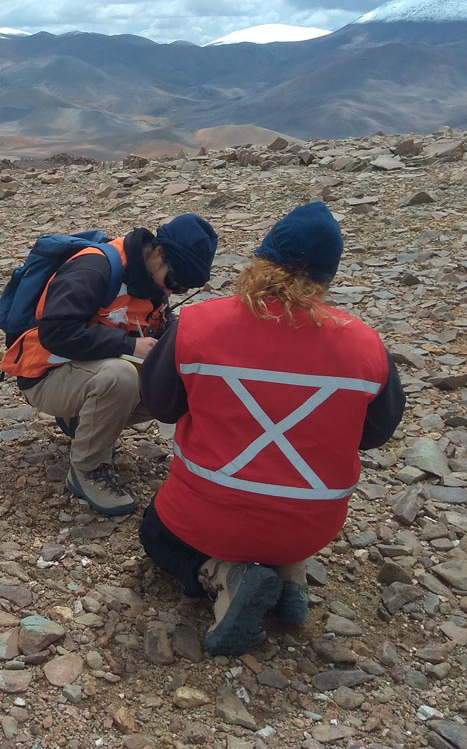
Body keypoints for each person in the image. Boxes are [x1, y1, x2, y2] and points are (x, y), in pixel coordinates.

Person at [138, 201, 405, 656]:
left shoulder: (199, 324)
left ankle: (224, 576)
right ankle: (289, 575)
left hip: (203, 517)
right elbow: (374, 433)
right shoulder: (366, 345)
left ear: (261, 261)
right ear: (326, 278)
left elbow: (159, 404)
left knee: (155, 534)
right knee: (282, 509)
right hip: (310, 526)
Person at [1, 214, 218, 516]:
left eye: (180, 289)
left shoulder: (151, 283)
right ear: (158, 253)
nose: (170, 292)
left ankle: (85, 422)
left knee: (179, 379)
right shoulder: (94, 268)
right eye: (173, 281)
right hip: (43, 375)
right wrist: (129, 346)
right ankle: (87, 470)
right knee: (121, 377)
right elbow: (55, 333)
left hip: (86, 373)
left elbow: (159, 326)